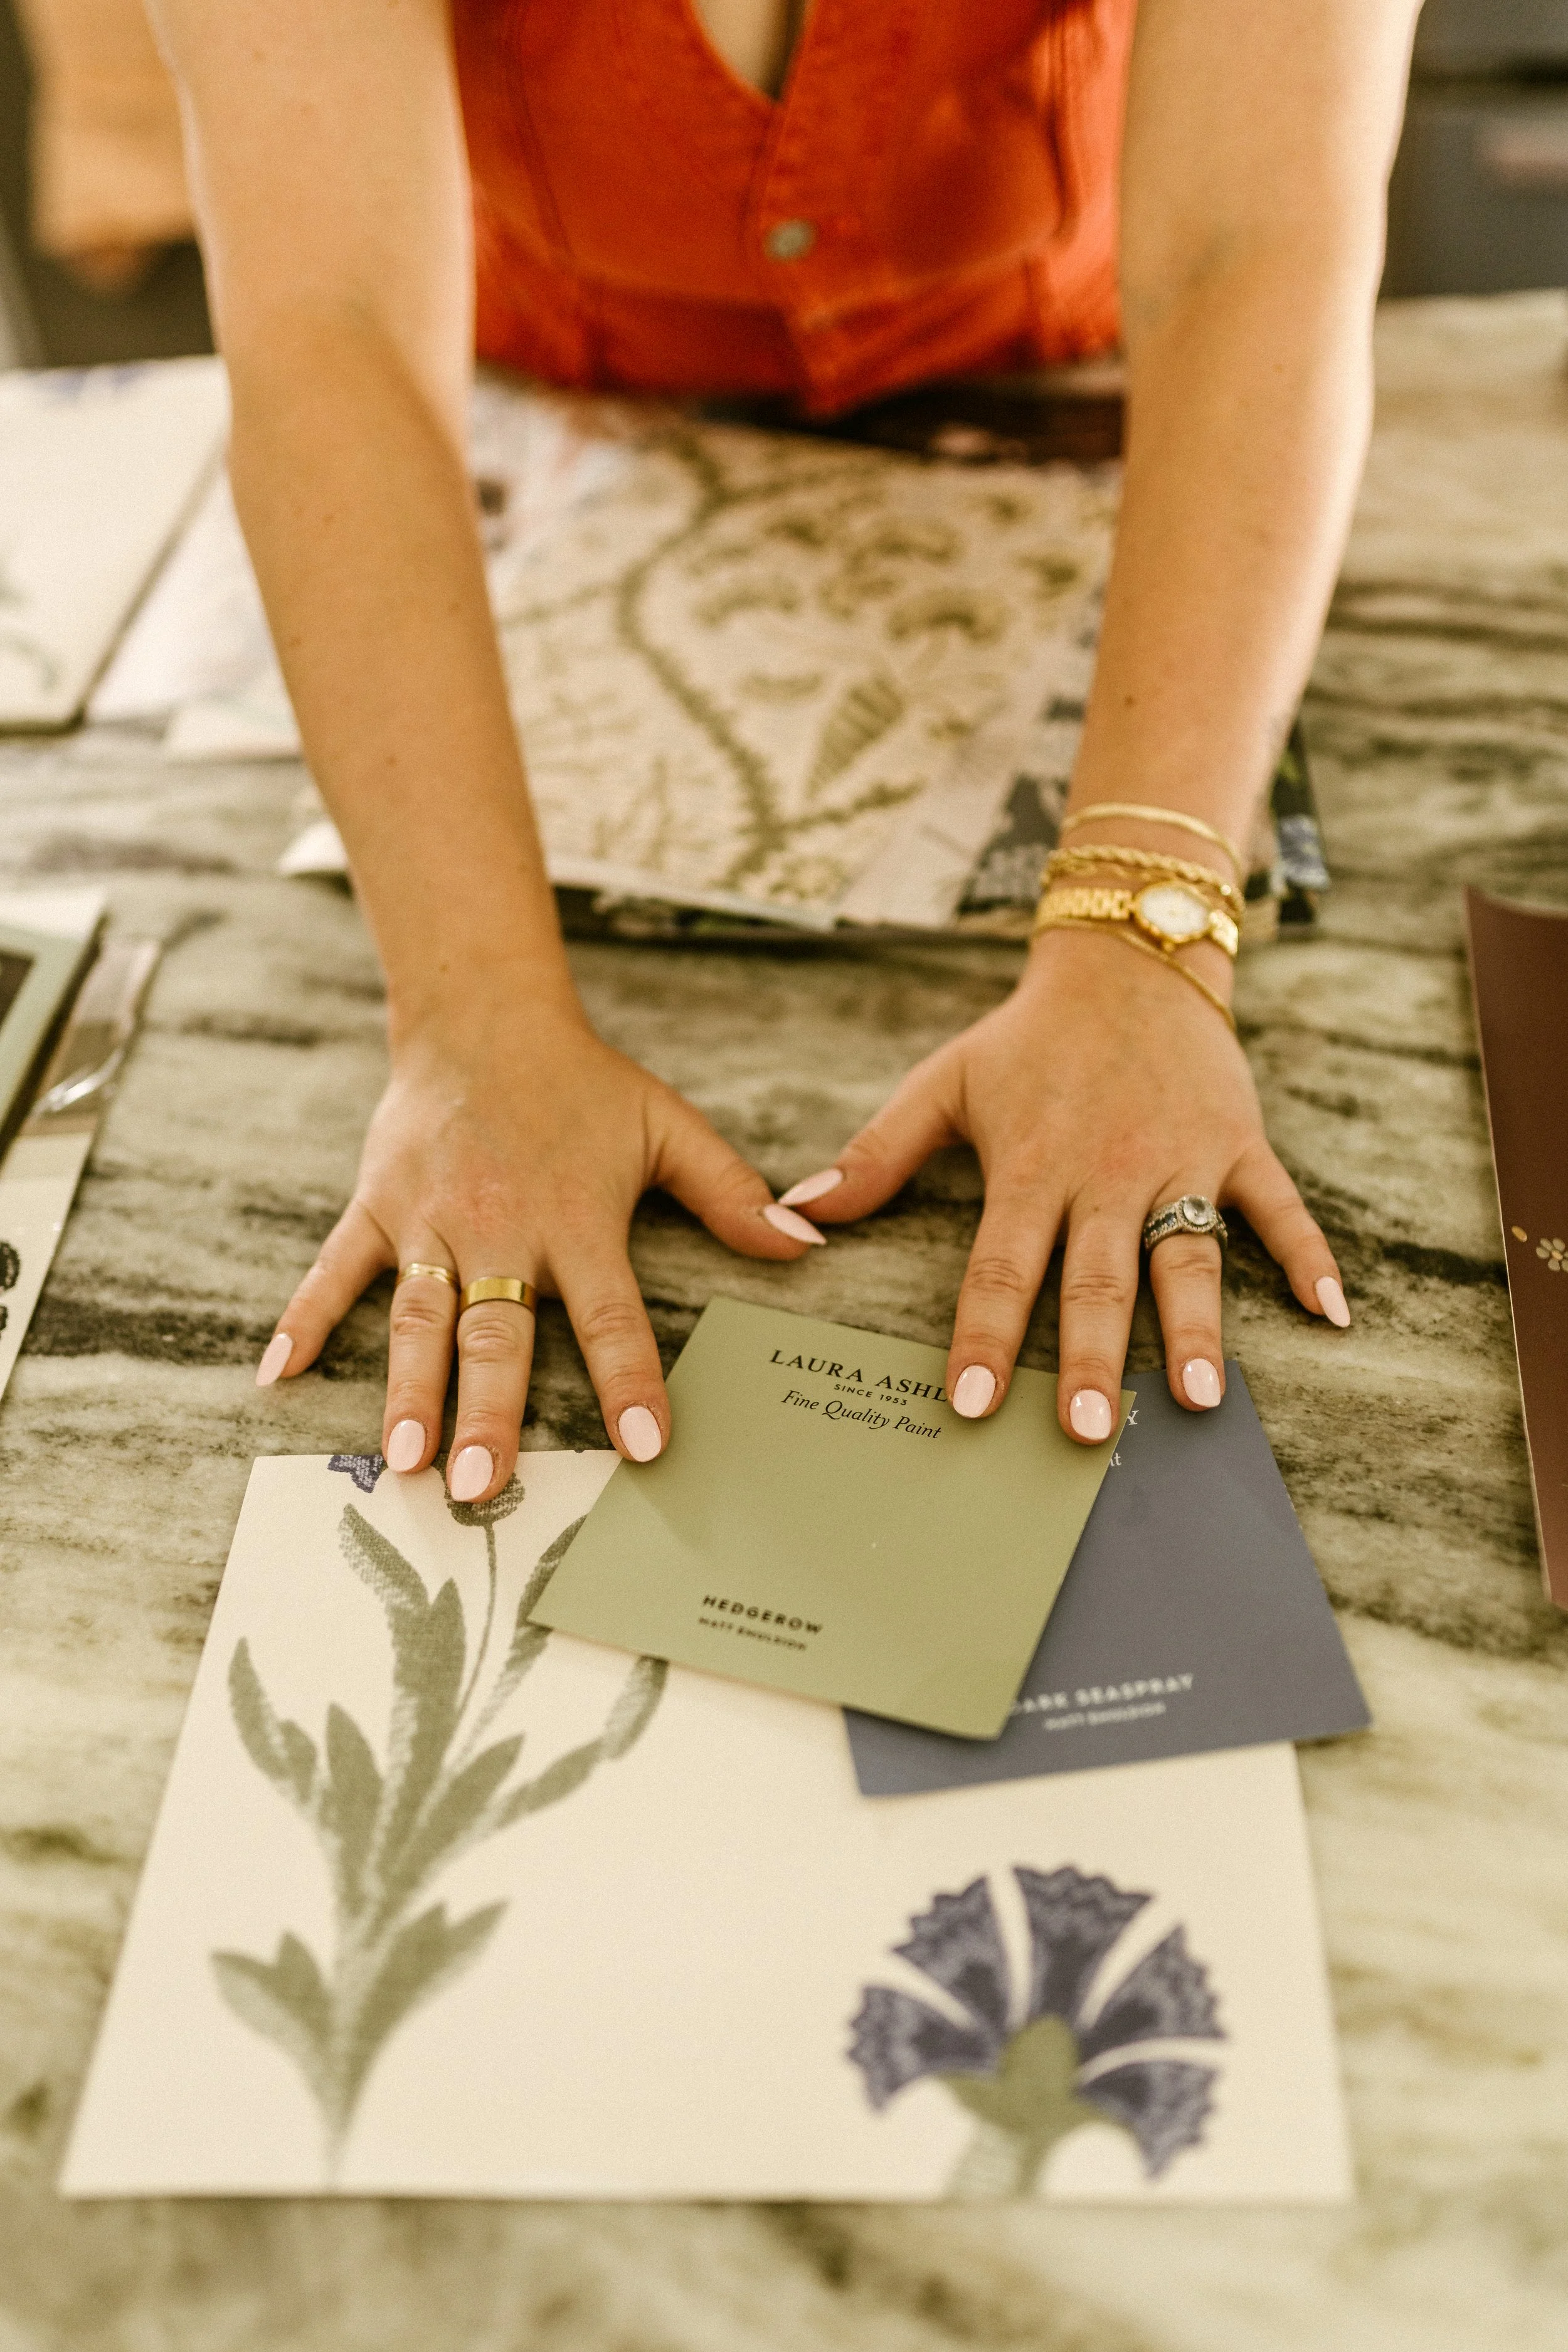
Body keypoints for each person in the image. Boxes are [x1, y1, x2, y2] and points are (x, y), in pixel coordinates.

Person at [149, 0, 1417, 1505]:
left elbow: (1248, 249)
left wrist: (1144, 934)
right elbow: (334, 329)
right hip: (557, 400)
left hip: (1088, 380)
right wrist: (468, 1012)